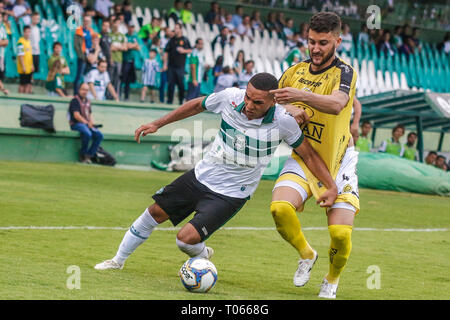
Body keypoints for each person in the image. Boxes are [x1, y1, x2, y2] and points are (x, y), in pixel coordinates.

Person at [94, 72, 338, 272]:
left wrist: (330, 186)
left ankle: (201, 254)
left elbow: (309, 155)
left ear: (273, 102)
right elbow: (196, 105)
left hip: (231, 194)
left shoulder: (283, 122)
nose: (249, 105)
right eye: (248, 97)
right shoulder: (230, 98)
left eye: (258, 102)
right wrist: (158, 123)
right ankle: (117, 261)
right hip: (201, 175)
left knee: (185, 240)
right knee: (153, 212)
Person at [269, 12, 359, 299]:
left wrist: (301, 98)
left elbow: (337, 104)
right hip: (304, 157)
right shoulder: (295, 71)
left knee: (341, 235)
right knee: (279, 209)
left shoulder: (345, 72)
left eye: (323, 42)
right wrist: (290, 110)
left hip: (339, 161)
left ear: (337, 41)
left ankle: (331, 280)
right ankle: (307, 254)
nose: (315, 49)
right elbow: (274, 103)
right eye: (311, 42)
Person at [68, 83, 104, 164]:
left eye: (87, 90)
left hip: (86, 124)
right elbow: (76, 115)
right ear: (79, 90)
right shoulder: (75, 100)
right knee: (87, 133)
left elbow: (90, 114)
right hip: (76, 124)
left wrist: (92, 123)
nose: (85, 92)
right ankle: (82, 154)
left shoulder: (88, 101)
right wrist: (87, 123)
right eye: (83, 89)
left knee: (99, 135)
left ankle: (89, 155)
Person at [163, 23, 192, 105]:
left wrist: (184, 51)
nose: (175, 30)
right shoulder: (171, 40)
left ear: (180, 29)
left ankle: (180, 101)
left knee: (181, 84)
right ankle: (169, 101)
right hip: (171, 66)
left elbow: (190, 50)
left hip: (180, 66)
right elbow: (166, 52)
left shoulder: (185, 40)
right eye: (174, 28)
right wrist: (165, 64)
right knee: (170, 84)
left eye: (177, 28)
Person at [74, 15, 96, 95]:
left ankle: (85, 94)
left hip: (89, 57)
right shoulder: (79, 30)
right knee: (79, 76)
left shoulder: (91, 31)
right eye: (85, 21)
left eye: (88, 21)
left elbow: (96, 40)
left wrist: (92, 55)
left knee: (87, 77)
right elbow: (76, 46)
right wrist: (83, 57)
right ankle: (76, 94)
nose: (87, 23)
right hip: (83, 57)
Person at [121, 22, 140, 101]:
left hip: (132, 61)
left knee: (129, 80)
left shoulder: (135, 36)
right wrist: (133, 45)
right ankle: (120, 94)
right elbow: (125, 47)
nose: (131, 29)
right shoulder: (124, 36)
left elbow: (138, 47)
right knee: (123, 78)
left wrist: (130, 45)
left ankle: (126, 96)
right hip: (125, 60)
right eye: (130, 27)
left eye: (133, 27)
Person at [109, 17, 127, 94]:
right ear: (112, 24)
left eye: (118, 24)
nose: (117, 25)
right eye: (115, 23)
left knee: (117, 78)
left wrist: (115, 47)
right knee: (110, 78)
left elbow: (125, 48)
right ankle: (108, 95)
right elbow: (109, 47)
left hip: (119, 60)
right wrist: (119, 47)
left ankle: (116, 95)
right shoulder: (109, 35)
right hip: (111, 59)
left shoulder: (122, 36)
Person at [17, 25, 34, 94]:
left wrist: (32, 65)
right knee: (22, 84)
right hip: (23, 68)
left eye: (29, 32)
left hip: (29, 67)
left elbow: (30, 55)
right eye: (27, 32)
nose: (28, 33)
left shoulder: (29, 42)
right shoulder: (20, 42)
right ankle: (20, 97)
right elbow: (20, 56)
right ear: (24, 32)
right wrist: (23, 66)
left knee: (28, 83)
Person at [0, 12, 9, 95]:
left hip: (1, 55)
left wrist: (2, 42)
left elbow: (6, 41)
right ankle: (3, 89)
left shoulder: (2, 28)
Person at [29, 12, 40, 81]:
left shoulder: (37, 29)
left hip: (36, 52)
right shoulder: (29, 28)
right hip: (30, 52)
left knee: (34, 70)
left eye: (37, 19)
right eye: (35, 18)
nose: (36, 20)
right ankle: (28, 85)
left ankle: (31, 84)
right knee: (30, 70)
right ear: (31, 18)